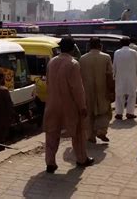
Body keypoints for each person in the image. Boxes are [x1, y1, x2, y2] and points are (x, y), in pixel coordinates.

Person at [43, 37, 94, 173]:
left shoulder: (52, 62)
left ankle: (50, 162)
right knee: (77, 132)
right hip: (69, 105)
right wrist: (82, 106)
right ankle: (82, 158)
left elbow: (48, 83)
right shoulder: (73, 63)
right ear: (73, 48)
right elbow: (77, 88)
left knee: (52, 134)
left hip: (53, 103)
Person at [80, 37, 114, 143]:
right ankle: (101, 131)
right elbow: (109, 76)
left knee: (89, 114)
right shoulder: (106, 57)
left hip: (87, 90)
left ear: (89, 46)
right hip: (102, 89)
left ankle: (90, 136)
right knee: (105, 112)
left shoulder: (82, 58)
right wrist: (112, 90)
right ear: (101, 45)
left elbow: (79, 77)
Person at [113, 37, 137, 120]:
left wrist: (113, 74)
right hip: (132, 77)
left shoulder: (117, 52)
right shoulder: (133, 52)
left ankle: (119, 113)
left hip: (120, 77)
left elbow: (114, 65)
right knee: (132, 95)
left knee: (119, 95)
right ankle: (130, 113)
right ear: (129, 43)